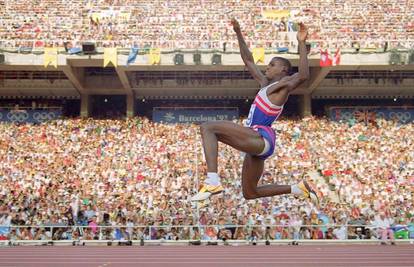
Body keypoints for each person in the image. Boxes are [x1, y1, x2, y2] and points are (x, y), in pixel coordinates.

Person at [191, 18, 319, 206]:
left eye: (272, 65)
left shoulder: (283, 85)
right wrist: (238, 32)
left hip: (261, 136)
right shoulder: (264, 84)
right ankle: (297, 188)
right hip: (256, 143)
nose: (267, 67)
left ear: (283, 69)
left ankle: (212, 181)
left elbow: (303, 75)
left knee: (208, 128)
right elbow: (248, 59)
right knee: (250, 193)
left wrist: (301, 43)